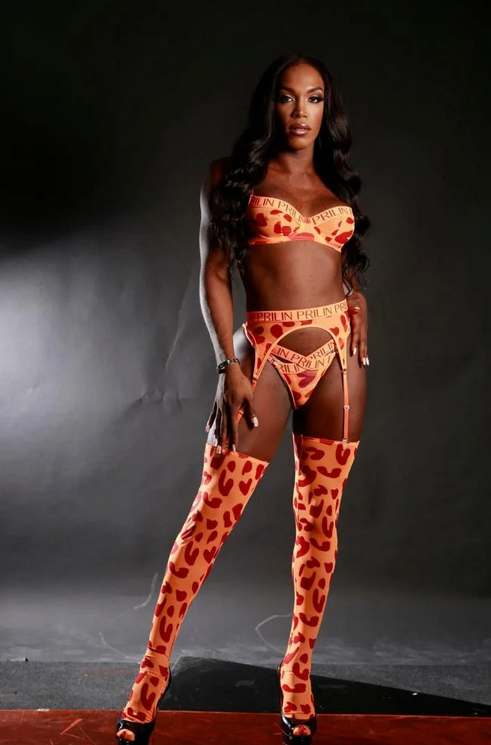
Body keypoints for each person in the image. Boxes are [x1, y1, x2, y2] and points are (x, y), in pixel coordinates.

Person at [115, 52, 370, 745]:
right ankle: (149, 679)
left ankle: (297, 678)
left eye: (313, 98)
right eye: (287, 97)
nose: (300, 112)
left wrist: (358, 312)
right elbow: (214, 272)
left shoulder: (334, 181)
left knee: (319, 528)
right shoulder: (230, 177)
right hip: (262, 355)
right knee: (208, 520)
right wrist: (227, 364)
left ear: (326, 108)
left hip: (338, 364)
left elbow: (342, 268)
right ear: (270, 104)